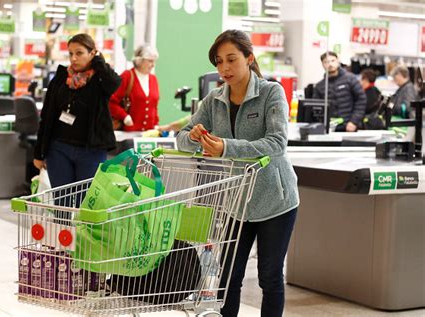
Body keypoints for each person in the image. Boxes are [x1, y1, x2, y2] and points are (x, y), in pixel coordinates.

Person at [176, 29, 299, 317]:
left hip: (275, 201)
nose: (224, 68)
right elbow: (181, 139)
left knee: (269, 276)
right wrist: (193, 137)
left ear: (249, 58)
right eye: (219, 62)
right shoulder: (214, 100)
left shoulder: (272, 92)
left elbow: (277, 143)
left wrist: (226, 148)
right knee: (228, 278)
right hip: (236, 202)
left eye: (231, 59)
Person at [33, 33, 121, 195]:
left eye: (79, 53)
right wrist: (39, 153)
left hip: (91, 151)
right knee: (62, 202)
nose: (73, 58)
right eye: (71, 53)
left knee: (85, 204)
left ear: (92, 53)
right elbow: (46, 116)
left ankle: (80, 222)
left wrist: (99, 61)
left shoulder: (100, 79)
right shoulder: (60, 78)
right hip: (58, 149)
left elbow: (115, 83)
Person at [109, 44, 160, 131]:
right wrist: (124, 116)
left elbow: (154, 107)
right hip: (128, 133)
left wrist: (156, 124)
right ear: (139, 60)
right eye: (150, 61)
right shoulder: (127, 76)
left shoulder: (153, 79)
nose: (153, 65)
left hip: (149, 133)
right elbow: (111, 102)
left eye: (154, 61)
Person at [313, 51, 366, 132]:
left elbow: (361, 100)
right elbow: (316, 108)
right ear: (322, 65)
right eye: (326, 62)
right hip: (329, 129)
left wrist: (354, 122)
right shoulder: (320, 86)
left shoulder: (350, 79)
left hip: (350, 127)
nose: (330, 64)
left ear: (338, 61)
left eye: (333, 60)